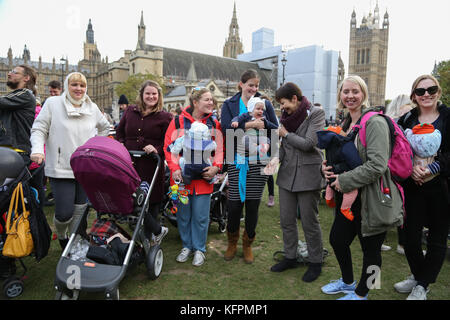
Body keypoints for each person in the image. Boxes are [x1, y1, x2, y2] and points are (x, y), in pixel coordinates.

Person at [320, 75, 404, 300]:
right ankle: (348, 283)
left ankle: (365, 293)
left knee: (372, 251)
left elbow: (377, 165)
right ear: (340, 95)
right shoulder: (346, 123)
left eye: (355, 91)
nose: (350, 96)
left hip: (373, 197)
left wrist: (344, 180)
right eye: (345, 91)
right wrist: (326, 169)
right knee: (338, 240)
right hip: (348, 197)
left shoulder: (374, 122)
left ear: (364, 94)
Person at [30, 72, 110, 249]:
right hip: (61, 167)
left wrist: (95, 146)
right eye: (74, 85)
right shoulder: (53, 103)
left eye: (82, 85)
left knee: (80, 208)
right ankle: (62, 234)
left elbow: (105, 127)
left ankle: (73, 242)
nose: (78, 89)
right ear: (67, 86)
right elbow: (39, 129)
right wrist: (37, 150)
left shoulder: (91, 107)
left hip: (85, 167)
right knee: (64, 212)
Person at [394, 75, 450, 300]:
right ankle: (419, 277)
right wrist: (411, 168)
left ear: (438, 91)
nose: (426, 94)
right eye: (421, 91)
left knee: (437, 238)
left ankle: (422, 285)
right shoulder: (407, 118)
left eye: (431, 89)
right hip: (413, 186)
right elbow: (397, 150)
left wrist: (433, 168)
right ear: (414, 96)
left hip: (442, 187)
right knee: (409, 238)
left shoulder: (448, 117)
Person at [220, 69, 279, 264]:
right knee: (234, 205)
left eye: (256, 86)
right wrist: (251, 125)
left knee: (253, 205)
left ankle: (247, 244)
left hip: (259, 160)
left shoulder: (265, 104)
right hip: (236, 159)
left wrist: (272, 155)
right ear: (241, 84)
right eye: (250, 85)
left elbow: (273, 129)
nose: (253, 89)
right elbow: (226, 128)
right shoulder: (229, 104)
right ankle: (232, 241)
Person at [269, 82, 325, 283]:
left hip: (308, 176)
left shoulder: (316, 113)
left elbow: (309, 144)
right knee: (286, 220)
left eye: (284, 103)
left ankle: (315, 261)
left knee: (310, 222)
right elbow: (285, 146)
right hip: (287, 176)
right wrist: (275, 158)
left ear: (295, 98)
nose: (282, 108)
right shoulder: (285, 118)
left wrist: (285, 134)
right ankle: (290, 257)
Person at [164, 87, 223, 266]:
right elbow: (168, 147)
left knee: (201, 216)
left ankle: (199, 249)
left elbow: (220, 149)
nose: (211, 103)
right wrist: (174, 168)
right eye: (207, 99)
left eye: (212, 100)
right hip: (180, 180)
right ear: (195, 102)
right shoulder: (177, 121)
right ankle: (186, 246)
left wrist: (216, 168)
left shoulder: (214, 123)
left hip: (204, 181)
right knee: (182, 215)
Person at [116, 80, 172, 246]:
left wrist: (156, 148)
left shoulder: (165, 117)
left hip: (151, 164)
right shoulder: (130, 112)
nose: (151, 96)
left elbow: (169, 142)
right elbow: (120, 132)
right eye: (148, 93)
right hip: (130, 162)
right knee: (131, 196)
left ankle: (149, 238)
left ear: (159, 96)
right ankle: (156, 230)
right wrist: (120, 144)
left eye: (154, 94)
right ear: (141, 94)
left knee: (152, 199)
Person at [0, 65, 37, 163]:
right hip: (8, 150)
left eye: (14, 72)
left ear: (26, 78)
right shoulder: (14, 96)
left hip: (16, 151)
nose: (9, 74)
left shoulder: (25, 94)